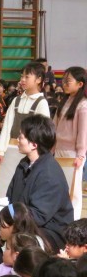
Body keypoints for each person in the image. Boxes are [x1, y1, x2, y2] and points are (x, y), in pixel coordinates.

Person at [7, 115, 74, 252]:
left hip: (49, 234)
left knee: (7, 252)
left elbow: (37, 216)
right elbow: (10, 200)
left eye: (21, 136)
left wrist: (0, 220)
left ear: (34, 144)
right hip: (25, 226)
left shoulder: (50, 173)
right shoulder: (24, 164)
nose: (18, 139)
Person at [0, 62, 50, 164]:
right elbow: (7, 127)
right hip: (11, 149)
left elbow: (42, 133)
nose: (23, 80)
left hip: (30, 154)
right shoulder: (16, 100)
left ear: (38, 79)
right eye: (22, 76)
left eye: (27, 77)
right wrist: (0, 150)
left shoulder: (41, 103)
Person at [54, 66, 87, 219]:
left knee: (73, 191)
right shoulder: (64, 101)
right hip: (58, 151)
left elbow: (83, 133)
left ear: (80, 84)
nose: (64, 84)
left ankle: (73, 221)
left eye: (68, 81)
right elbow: (54, 127)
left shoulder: (83, 105)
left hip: (73, 153)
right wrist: (50, 149)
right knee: (59, 188)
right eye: (63, 80)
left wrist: (80, 155)